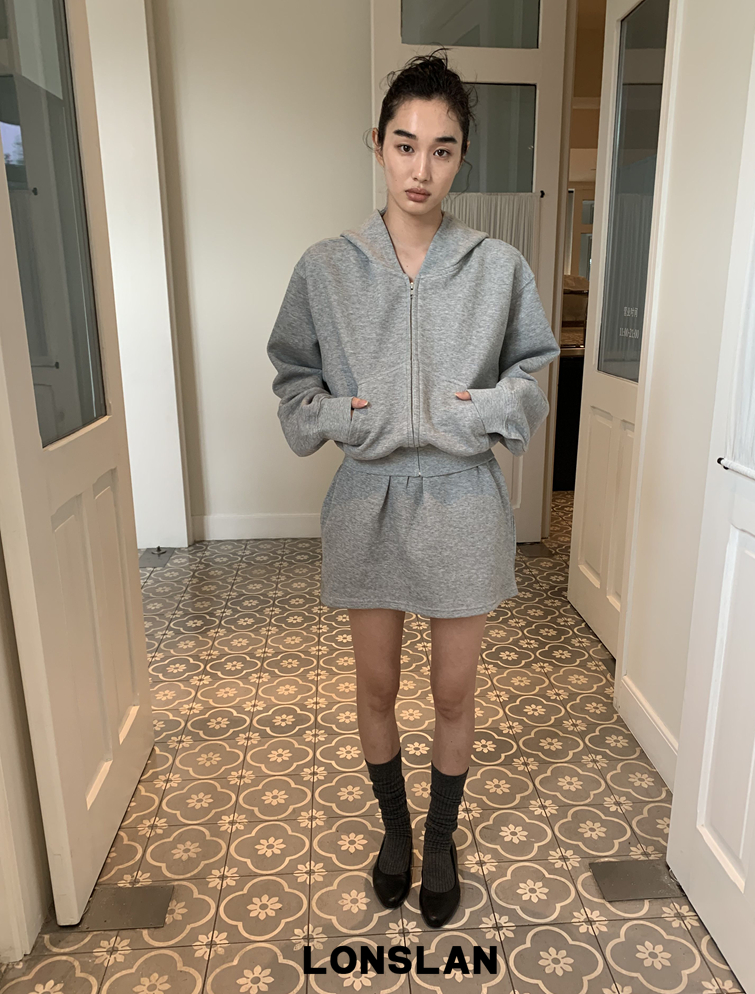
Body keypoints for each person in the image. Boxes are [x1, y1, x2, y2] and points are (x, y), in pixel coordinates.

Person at [268, 50, 560, 929]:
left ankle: (439, 839)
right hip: (370, 498)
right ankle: (394, 830)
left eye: (442, 149)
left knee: (454, 692)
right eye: (405, 144)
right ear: (378, 145)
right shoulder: (326, 267)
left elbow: (533, 375)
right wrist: (345, 418)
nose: (420, 168)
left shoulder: (497, 267)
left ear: (461, 156)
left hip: (464, 501)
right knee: (376, 685)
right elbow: (293, 383)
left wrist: (479, 409)